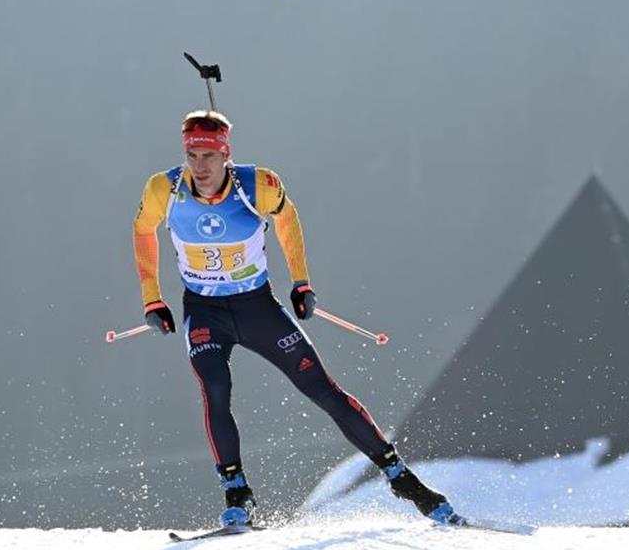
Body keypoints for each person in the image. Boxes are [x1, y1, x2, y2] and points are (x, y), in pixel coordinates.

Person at [131, 110, 461, 527]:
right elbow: (143, 230)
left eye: (209, 156)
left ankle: (401, 477)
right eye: (192, 156)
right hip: (204, 311)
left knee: (322, 390)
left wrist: (302, 282)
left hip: (257, 308)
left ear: (226, 156)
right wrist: (152, 300)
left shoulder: (258, 185)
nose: (200, 167)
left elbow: (287, 220)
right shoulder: (165, 189)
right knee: (214, 387)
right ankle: (237, 493)